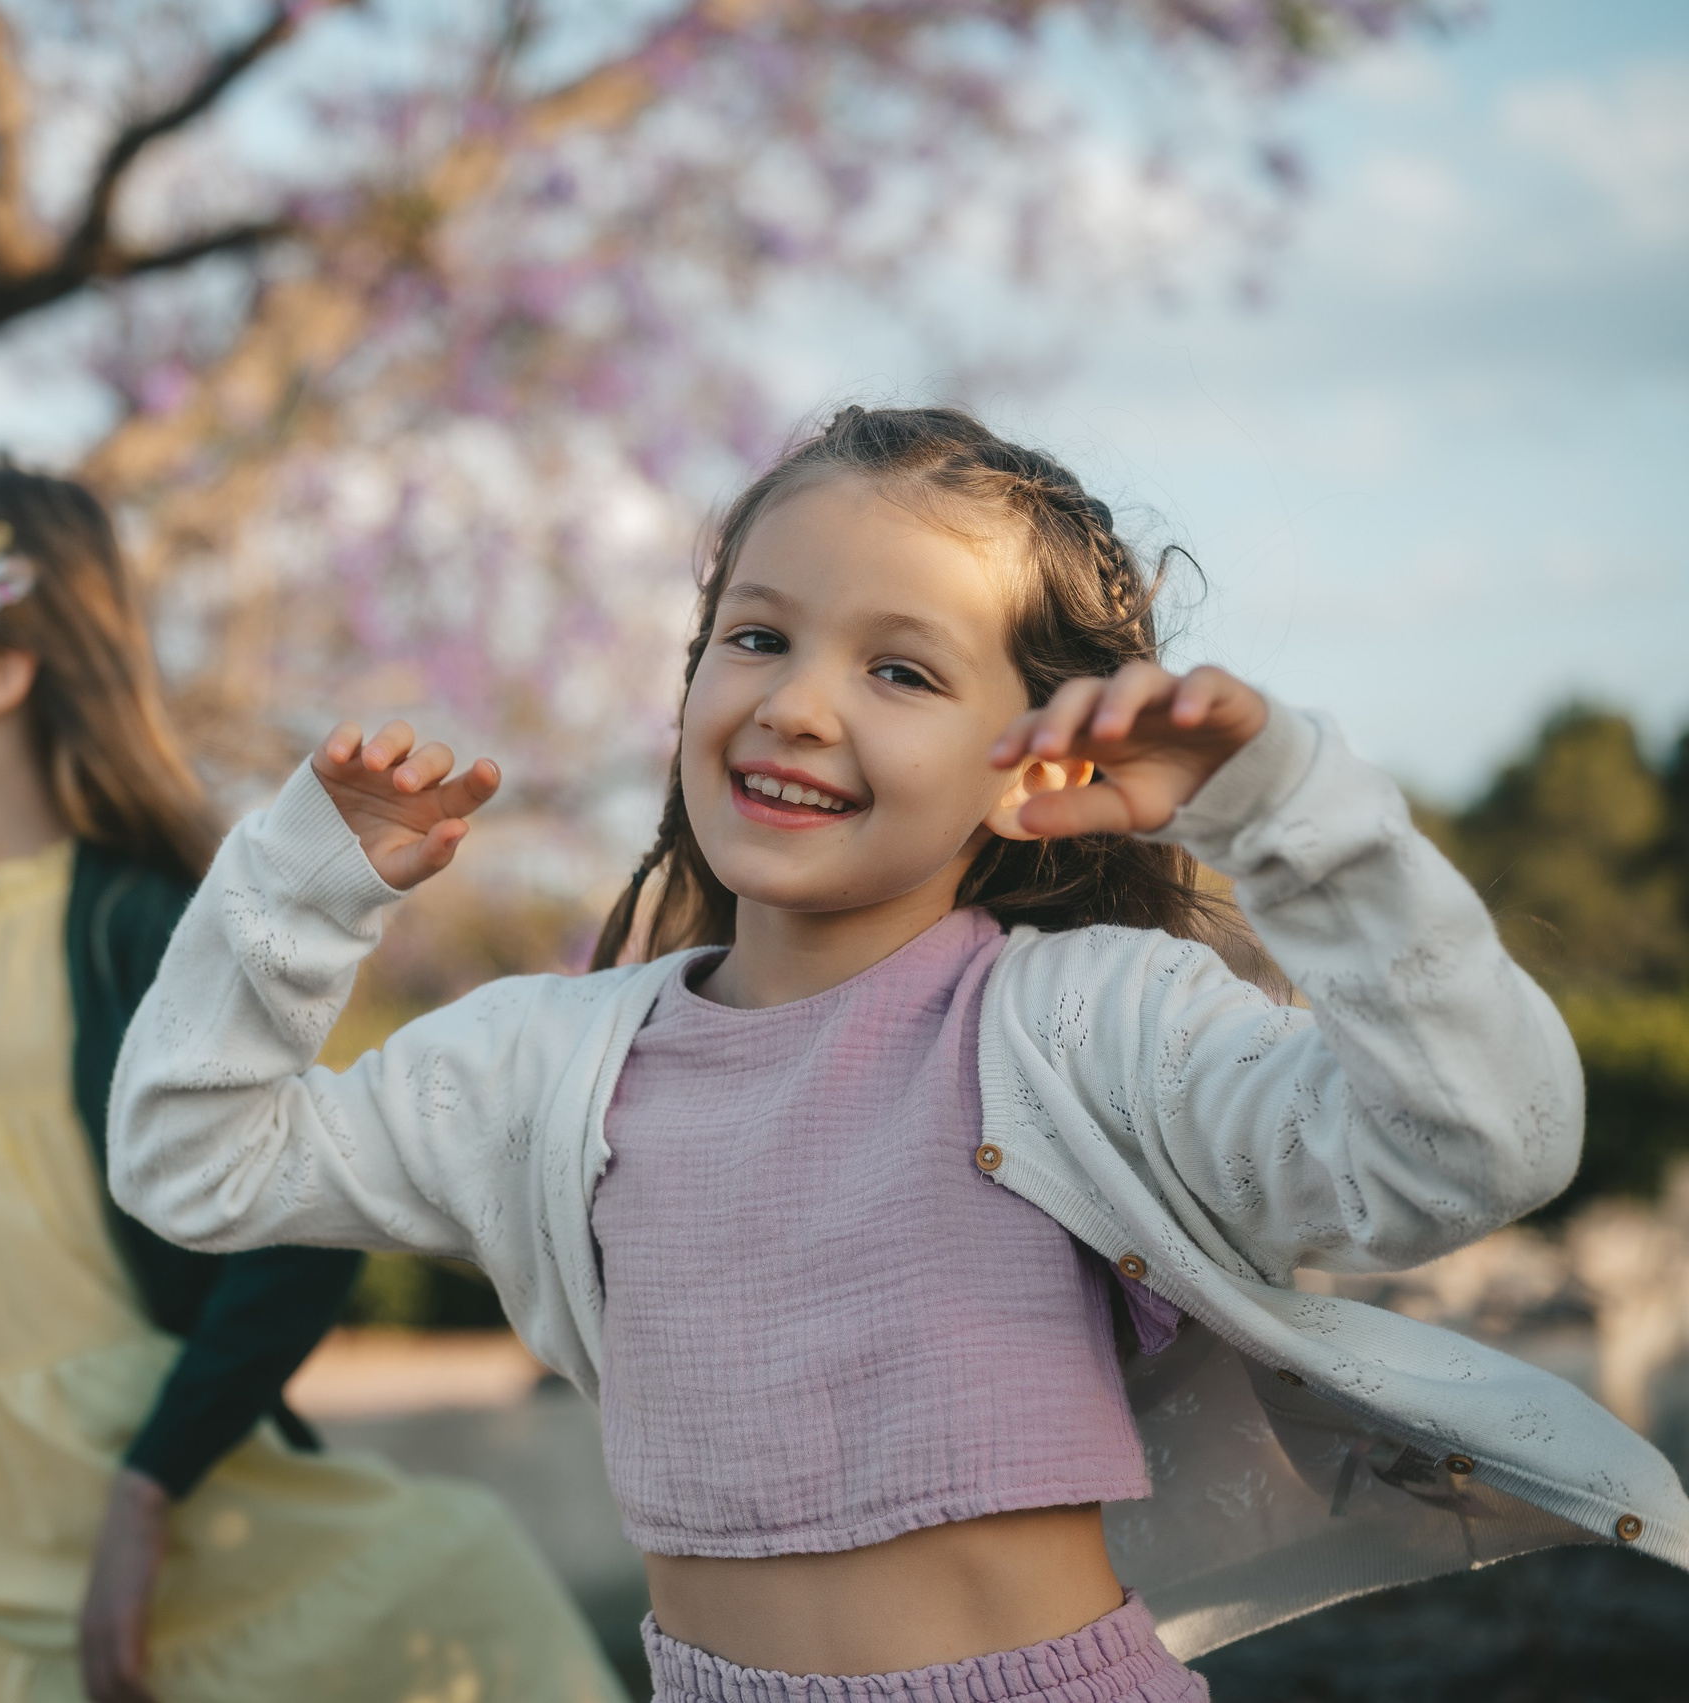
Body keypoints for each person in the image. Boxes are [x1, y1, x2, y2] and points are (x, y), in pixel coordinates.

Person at [107, 406, 1689, 1703]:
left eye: (902, 669)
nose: (797, 701)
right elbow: (198, 1161)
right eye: (757, 635)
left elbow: (1484, 1139)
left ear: (1040, 759)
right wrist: (294, 886)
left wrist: (1280, 812)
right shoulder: (548, 1063)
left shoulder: (1083, 1023)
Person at [0, 458, 622, 1703]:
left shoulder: (136, 929)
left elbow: (298, 1234)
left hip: (102, 1478)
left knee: (463, 1586)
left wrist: (151, 1489)